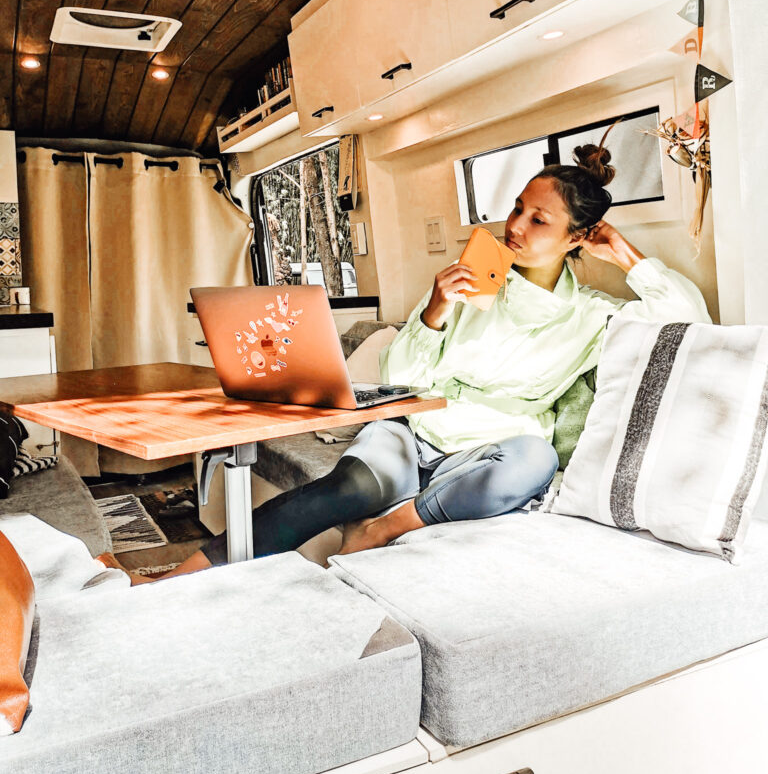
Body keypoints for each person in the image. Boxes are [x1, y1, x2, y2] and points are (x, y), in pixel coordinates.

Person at [124, 142, 710, 583]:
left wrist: (629, 255)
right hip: (418, 431)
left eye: (539, 220)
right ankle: (184, 574)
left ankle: (391, 525)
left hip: (488, 452)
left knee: (534, 459)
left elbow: (690, 318)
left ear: (579, 237)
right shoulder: (473, 284)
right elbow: (403, 380)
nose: (514, 225)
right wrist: (433, 309)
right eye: (517, 208)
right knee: (345, 487)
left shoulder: (593, 315)